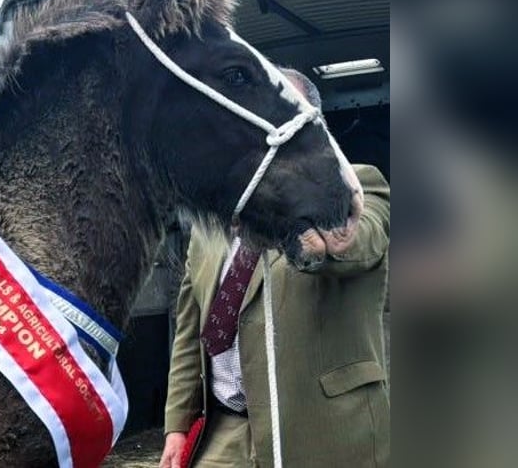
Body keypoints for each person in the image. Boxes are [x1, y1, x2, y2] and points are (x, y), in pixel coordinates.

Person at [159, 72, 390, 468]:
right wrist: (177, 425)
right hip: (224, 436)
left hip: (322, 432)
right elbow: (190, 327)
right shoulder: (212, 217)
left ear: (311, 126)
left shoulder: (356, 187)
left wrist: (328, 234)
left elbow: (364, 243)